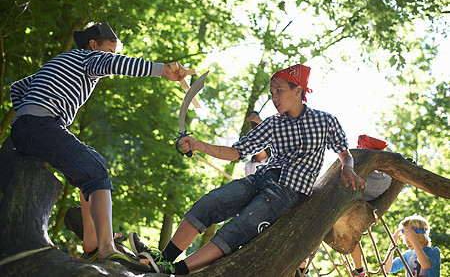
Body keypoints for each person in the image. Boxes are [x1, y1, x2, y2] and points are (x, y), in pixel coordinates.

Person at [128, 63, 367, 274]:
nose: (274, 97)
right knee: (210, 202)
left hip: (286, 191)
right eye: (272, 92)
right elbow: (236, 152)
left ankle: (177, 270)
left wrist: (347, 167)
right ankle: (164, 258)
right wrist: (198, 144)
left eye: (279, 91)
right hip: (260, 179)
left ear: (298, 91)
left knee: (240, 227)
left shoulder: (325, 121)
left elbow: (344, 154)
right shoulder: (273, 123)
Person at [9, 21, 187, 271]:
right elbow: (117, 64)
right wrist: (163, 70)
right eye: (109, 51)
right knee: (96, 169)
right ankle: (106, 248)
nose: (111, 58)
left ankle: (92, 238)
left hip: (23, 128)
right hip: (42, 125)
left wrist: (25, 118)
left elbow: (17, 88)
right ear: (93, 45)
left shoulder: (61, 61)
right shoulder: (88, 59)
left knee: (89, 163)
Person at [350, 134, 392, 277]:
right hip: (365, 214)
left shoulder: (358, 172)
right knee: (354, 239)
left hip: (350, 210)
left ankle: (301, 267)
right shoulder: (387, 180)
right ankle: (359, 270)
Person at [244, 111, 269, 176]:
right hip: (267, 157)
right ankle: (256, 121)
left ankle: (256, 121)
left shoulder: (249, 165)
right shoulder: (248, 165)